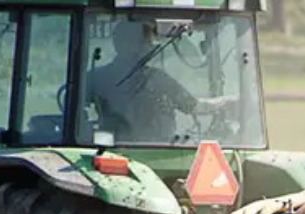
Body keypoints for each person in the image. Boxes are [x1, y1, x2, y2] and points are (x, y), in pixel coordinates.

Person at [85, 20, 232, 143]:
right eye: (146, 43)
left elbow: (73, 109)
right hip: (157, 151)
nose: (148, 49)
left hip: (111, 153)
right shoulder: (157, 79)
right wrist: (228, 102)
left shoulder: (95, 77)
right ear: (139, 46)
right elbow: (194, 106)